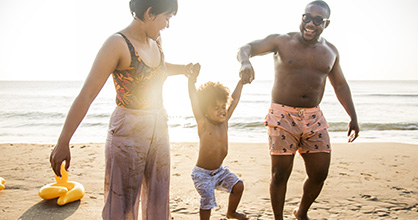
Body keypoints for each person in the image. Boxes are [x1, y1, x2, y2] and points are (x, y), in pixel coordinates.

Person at [49, 0, 199, 219]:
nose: (167, 25)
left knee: (158, 197)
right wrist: (63, 142)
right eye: (166, 18)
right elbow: (87, 94)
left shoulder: (156, 41)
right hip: (128, 132)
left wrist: (185, 69)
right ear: (149, 13)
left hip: (159, 130)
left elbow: (159, 70)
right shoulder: (117, 44)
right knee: (122, 204)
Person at [237, 1, 360, 220]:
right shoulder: (282, 41)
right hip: (282, 114)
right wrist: (245, 62)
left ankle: (301, 212)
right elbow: (246, 47)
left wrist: (353, 116)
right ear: (301, 18)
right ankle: (278, 218)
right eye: (307, 17)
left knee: (320, 173)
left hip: (314, 117)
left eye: (317, 20)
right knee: (280, 174)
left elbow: (340, 85)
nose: (310, 24)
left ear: (326, 23)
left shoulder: (331, 51)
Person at [187, 65, 248, 220]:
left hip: (220, 172)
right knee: (207, 199)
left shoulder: (224, 122)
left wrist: (241, 82)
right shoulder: (203, 123)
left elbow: (234, 101)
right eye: (216, 108)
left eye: (223, 106)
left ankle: (231, 212)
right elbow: (194, 102)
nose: (222, 110)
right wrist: (191, 82)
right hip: (202, 174)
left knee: (238, 186)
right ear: (205, 111)